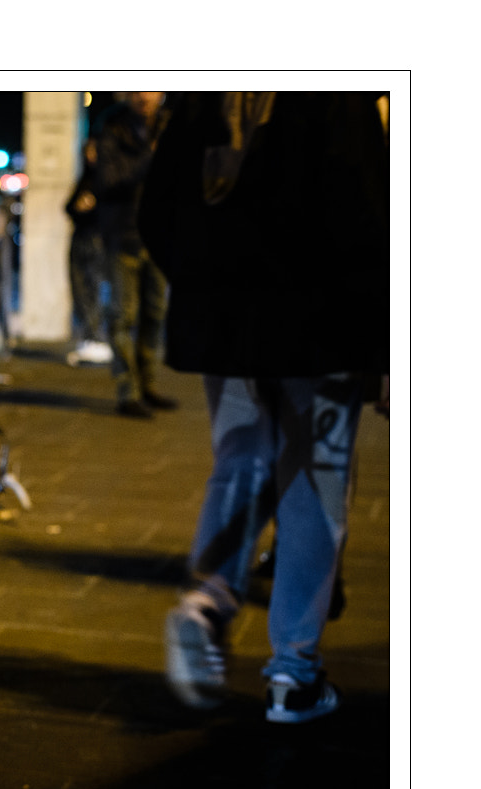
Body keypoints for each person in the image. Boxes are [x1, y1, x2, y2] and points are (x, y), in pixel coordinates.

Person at [142, 91, 389, 722]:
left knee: (242, 460)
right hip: (320, 323)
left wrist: (207, 285)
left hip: (222, 324)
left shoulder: (204, 90)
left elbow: (158, 212)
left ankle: (206, 600)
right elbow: (365, 218)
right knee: (316, 482)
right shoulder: (336, 93)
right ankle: (292, 674)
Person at [91, 91, 177, 418]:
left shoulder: (171, 123)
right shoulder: (111, 126)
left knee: (156, 313)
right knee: (122, 316)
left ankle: (149, 384)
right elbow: (108, 180)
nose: (144, 95)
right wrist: (151, 159)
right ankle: (127, 391)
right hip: (123, 234)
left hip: (161, 234)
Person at [65, 138, 112, 366]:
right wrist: (79, 207)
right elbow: (68, 206)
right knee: (79, 288)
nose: (91, 156)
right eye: (87, 152)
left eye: (95, 151)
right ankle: (88, 337)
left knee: (93, 288)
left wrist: (91, 207)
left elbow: (110, 212)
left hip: (96, 239)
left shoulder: (107, 179)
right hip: (80, 237)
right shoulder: (84, 178)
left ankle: (96, 338)